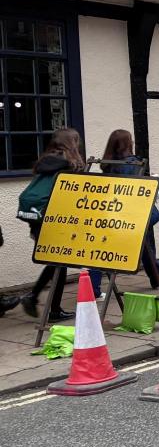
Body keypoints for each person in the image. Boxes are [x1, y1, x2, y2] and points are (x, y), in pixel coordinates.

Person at [18, 128, 85, 321]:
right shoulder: (70, 164)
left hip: (37, 218)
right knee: (58, 261)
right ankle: (42, 302)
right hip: (55, 217)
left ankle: (44, 302)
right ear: (73, 143)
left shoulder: (45, 161)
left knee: (56, 261)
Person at [100, 129, 159, 290]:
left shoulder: (107, 164)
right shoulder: (131, 162)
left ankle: (95, 287)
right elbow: (132, 184)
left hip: (114, 210)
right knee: (146, 244)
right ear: (128, 143)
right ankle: (157, 277)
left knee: (103, 247)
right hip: (134, 210)